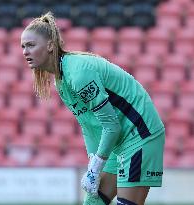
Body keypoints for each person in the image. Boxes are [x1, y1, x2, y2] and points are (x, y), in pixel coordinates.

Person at [20, 12, 165, 205]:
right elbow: (88, 125)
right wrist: (92, 162)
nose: (24, 52)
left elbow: (111, 125)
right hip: (118, 141)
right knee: (92, 202)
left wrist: (97, 167)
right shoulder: (61, 80)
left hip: (139, 134)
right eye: (23, 46)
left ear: (50, 46)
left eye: (30, 45)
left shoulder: (78, 73)